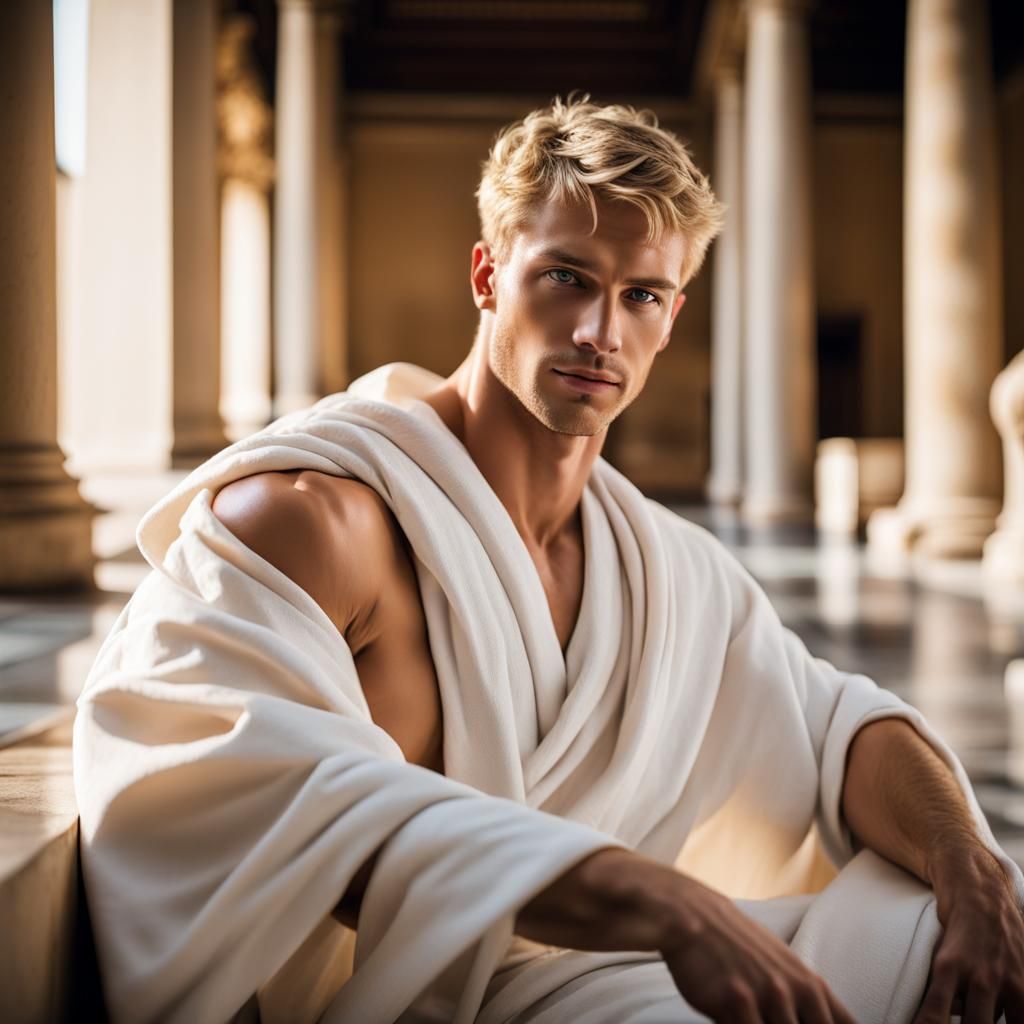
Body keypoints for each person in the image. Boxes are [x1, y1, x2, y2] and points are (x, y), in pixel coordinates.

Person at [74, 96, 1024, 1024]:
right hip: (420, 994)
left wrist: (967, 861)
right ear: (488, 275)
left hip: (624, 971)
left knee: (978, 926)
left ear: (672, 314)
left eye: (640, 295)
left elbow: (837, 731)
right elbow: (229, 793)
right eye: (566, 277)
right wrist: (648, 898)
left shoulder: (666, 572)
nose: (599, 334)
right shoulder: (315, 520)